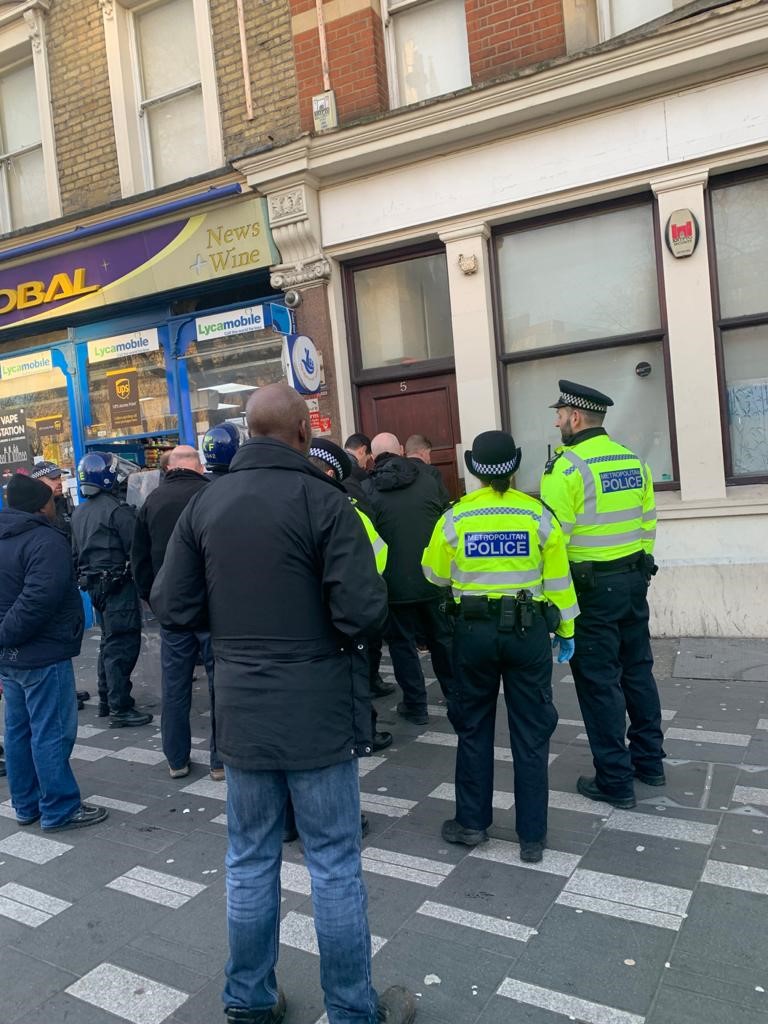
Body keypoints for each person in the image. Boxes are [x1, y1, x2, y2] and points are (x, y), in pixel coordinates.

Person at [150, 383, 416, 1024]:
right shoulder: (325, 503)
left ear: (248, 433)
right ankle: (353, 1010)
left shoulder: (206, 506)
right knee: (332, 864)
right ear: (303, 433)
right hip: (317, 713)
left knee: (248, 860)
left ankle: (249, 1000)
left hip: (241, 712)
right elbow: (364, 610)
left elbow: (172, 605)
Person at [422, 431, 577, 863]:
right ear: (515, 466)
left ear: (473, 469)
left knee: (473, 727)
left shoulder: (456, 518)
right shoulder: (538, 516)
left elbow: (433, 574)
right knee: (531, 733)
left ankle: (471, 823)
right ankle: (531, 837)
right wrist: (566, 630)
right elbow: (559, 583)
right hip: (527, 636)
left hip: (472, 636)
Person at [540, 380, 663, 810]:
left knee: (599, 685)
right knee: (638, 671)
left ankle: (615, 779)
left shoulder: (566, 469)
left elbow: (555, 542)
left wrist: (554, 603)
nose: (556, 422)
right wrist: (640, 570)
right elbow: (648, 522)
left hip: (591, 591)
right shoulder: (632, 460)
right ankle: (650, 762)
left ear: (575, 418)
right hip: (633, 581)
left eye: (559, 415)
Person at [0, 473, 108, 832]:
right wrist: (6, 633)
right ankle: (59, 807)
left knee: (19, 730)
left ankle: (26, 804)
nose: (54, 504)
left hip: (12, 656)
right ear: (39, 504)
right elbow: (38, 600)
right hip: (41, 653)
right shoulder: (45, 539)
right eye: (50, 499)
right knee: (52, 730)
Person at [131, 445, 223, 781]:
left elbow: (139, 558)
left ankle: (176, 759)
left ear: (168, 470)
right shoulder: (213, 494)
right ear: (197, 466)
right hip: (213, 610)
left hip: (172, 612)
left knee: (175, 687)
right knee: (220, 686)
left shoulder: (151, 502)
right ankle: (219, 760)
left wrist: (153, 598)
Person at [308, 438, 393, 754]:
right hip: (344, 613)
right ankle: (364, 736)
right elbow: (379, 556)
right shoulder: (347, 511)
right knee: (356, 677)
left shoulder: (286, 506)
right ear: (332, 474)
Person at [364, 432, 453, 725]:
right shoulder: (429, 479)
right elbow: (446, 522)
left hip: (393, 585)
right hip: (432, 577)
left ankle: (416, 706)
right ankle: (455, 697)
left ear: (372, 458)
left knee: (402, 645)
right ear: (401, 450)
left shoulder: (368, 489)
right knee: (442, 638)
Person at [71, 452, 152, 728]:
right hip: (119, 587)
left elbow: (75, 555)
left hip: (95, 587)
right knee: (123, 645)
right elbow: (137, 550)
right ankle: (120, 707)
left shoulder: (80, 512)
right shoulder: (118, 510)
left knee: (108, 642)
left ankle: (107, 699)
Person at [404, 434, 451, 507]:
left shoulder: (396, 471)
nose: (430, 460)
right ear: (423, 452)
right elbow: (444, 501)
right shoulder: (431, 472)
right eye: (429, 453)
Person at [30, 460, 73, 539]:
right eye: (53, 479)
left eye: (59, 477)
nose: (59, 482)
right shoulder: (32, 510)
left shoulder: (65, 503)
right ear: (38, 481)